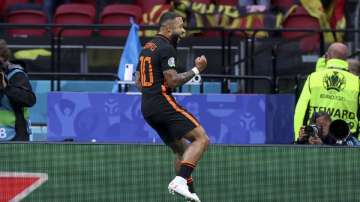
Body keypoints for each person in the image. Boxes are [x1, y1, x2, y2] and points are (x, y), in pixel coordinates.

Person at [135, 12, 209, 202]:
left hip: (147, 107)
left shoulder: (147, 47)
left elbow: (139, 83)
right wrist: (196, 69)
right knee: (201, 139)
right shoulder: (166, 48)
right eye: (180, 26)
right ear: (168, 28)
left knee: (182, 151)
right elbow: (173, 80)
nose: (183, 30)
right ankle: (180, 180)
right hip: (162, 103)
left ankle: (190, 193)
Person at [294, 42, 360, 141]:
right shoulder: (357, 82)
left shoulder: (313, 78)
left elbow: (301, 111)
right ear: (346, 59)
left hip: (316, 138)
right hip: (346, 141)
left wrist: (298, 139)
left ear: (327, 56)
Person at [0, 39, 36, 141]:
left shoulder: (16, 75)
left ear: (4, 58)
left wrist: (7, 87)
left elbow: (30, 100)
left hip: (15, 136)